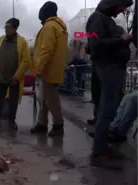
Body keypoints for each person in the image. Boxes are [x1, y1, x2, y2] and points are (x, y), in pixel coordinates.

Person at [85, 0, 133, 169]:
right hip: (108, 68)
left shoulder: (106, 19)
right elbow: (94, 44)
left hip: (112, 69)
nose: (122, 10)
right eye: (122, 6)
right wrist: (121, 39)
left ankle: (102, 148)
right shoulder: (97, 18)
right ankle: (98, 153)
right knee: (106, 111)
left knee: (109, 110)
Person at [30, 1, 68, 137]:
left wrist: (38, 68)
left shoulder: (49, 27)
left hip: (47, 70)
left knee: (51, 99)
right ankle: (42, 122)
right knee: (45, 99)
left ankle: (58, 124)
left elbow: (46, 50)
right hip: (54, 69)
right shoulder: (60, 28)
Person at [0, 17, 31, 130]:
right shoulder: (0, 40)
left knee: (13, 101)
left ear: (14, 28)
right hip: (1, 76)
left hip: (14, 78)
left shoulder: (22, 41)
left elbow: (26, 60)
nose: (6, 29)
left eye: (8, 27)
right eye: (5, 27)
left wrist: (17, 76)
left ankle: (11, 121)